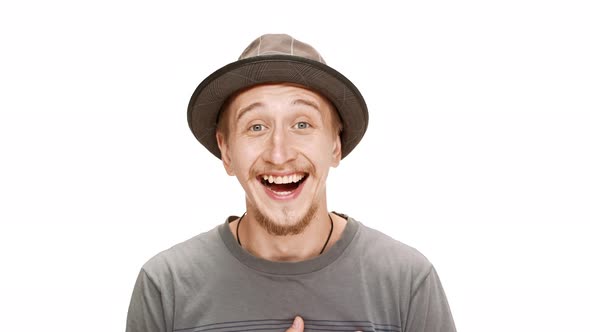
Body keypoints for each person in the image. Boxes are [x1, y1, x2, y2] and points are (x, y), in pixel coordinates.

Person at [126, 34, 456, 332]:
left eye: (302, 123)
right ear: (226, 152)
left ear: (335, 146)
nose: (279, 153)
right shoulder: (165, 287)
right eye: (256, 127)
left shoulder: (408, 282)